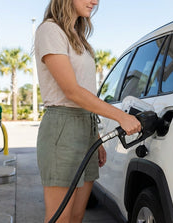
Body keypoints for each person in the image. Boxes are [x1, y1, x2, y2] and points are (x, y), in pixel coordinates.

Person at [34, 0, 141, 222]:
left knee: (76, 216)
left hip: (86, 127)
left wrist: (96, 137)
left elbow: (85, 91)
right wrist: (121, 116)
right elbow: (72, 91)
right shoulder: (50, 30)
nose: (95, 1)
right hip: (62, 129)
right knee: (60, 217)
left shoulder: (79, 38)